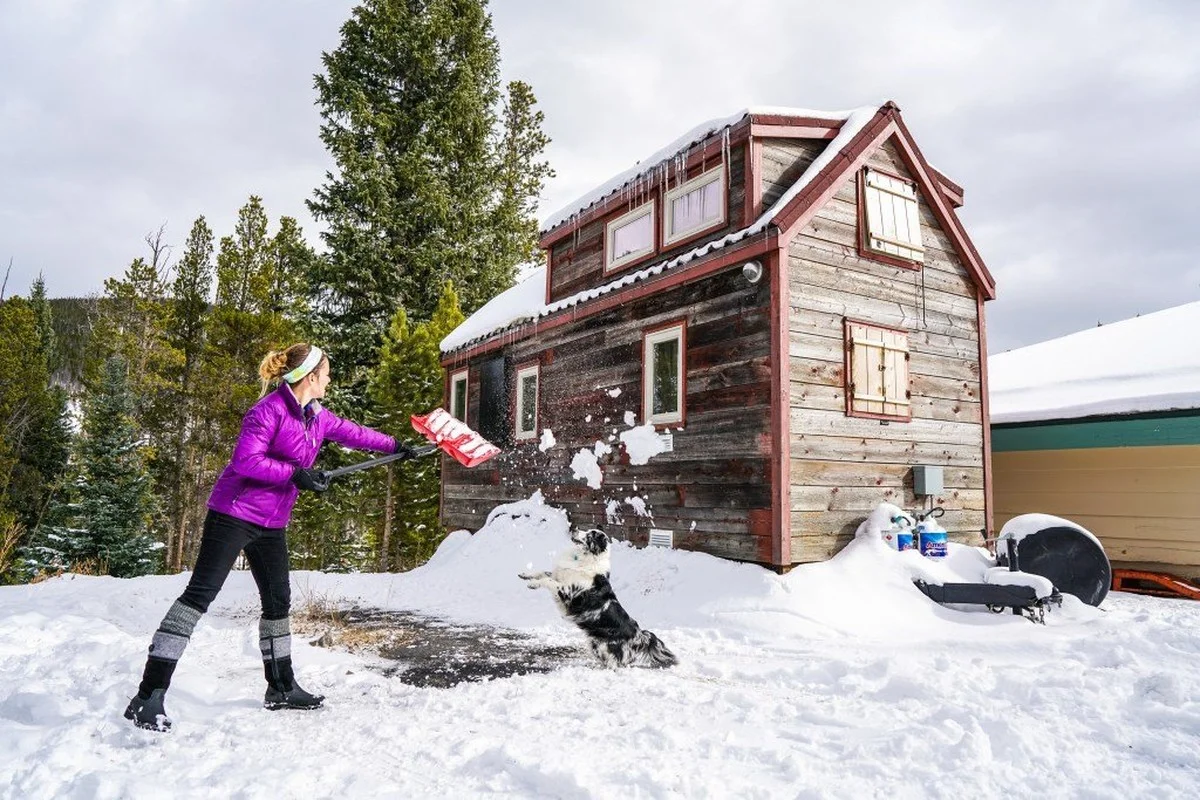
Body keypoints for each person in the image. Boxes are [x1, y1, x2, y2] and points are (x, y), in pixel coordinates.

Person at [124, 343, 413, 731]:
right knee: (198, 596)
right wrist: (295, 474)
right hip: (233, 514)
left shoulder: (318, 417)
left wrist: (398, 447)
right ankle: (147, 696)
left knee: (278, 601)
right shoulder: (267, 411)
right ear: (310, 377)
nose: (329, 380)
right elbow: (247, 460)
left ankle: (280, 688)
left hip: (272, 523)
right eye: (326, 374)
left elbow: (355, 433)